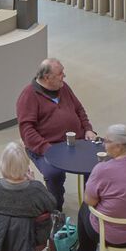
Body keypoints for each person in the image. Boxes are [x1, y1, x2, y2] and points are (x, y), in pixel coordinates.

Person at [17, 55, 93, 205]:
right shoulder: (28, 96)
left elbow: (79, 110)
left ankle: (89, 206)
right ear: (47, 78)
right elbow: (27, 131)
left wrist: (88, 130)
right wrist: (49, 150)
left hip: (74, 141)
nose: (64, 76)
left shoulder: (63, 87)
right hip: (45, 147)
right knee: (54, 174)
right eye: (60, 74)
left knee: (94, 165)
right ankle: (56, 209)